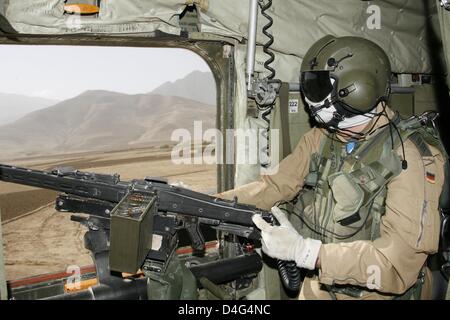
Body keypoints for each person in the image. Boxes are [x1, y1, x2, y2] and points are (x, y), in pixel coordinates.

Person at [217, 35, 446, 299]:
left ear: (357, 89)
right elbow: (276, 185)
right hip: (323, 284)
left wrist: (307, 253)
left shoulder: (413, 157)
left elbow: (396, 264)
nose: (309, 98)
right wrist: (210, 204)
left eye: (319, 86)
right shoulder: (322, 138)